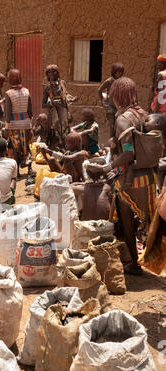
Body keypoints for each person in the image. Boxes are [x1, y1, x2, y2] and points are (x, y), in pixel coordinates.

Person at [87, 77, 156, 275]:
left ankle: (135, 263)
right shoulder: (143, 113)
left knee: (126, 220)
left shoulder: (123, 118)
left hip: (130, 180)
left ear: (118, 95)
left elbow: (128, 153)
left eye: (113, 94)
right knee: (151, 221)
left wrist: (105, 167)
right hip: (149, 176)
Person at [4, 69, 34, 175]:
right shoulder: (27, 91)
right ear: (20, 78)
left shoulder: (8, 94)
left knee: (15, 147)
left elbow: (8, 114)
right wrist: (30, 121)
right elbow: (30, 111)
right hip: (26, 124)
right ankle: (30, 169)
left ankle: (16, 172)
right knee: (26, 145)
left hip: (14, 125)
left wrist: (7, 126)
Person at [42, 64, 77, 149]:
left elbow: (66, 94)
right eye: (49, 72)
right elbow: (43, 104)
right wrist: (52, 103)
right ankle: (55, 148)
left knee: (65, 129)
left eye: (54, 71)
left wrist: (72, 98)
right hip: (54, 112)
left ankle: (66, 147)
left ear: (58, 73)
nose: (52, 74)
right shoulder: (47, 87)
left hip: (64, 110)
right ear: (47, 75)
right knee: (55, 131)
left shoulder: (62, 83)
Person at [98, 62, 125, 137]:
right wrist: (103, 103)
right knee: (112, 126)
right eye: (118, 71)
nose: (119, 73)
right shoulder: (109, 81)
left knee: (119, 125)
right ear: (114, 71)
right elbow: (100, 90)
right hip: (111, 107)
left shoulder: (122, 81)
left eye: (121, 72)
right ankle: (112, 143)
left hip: (120, 107)